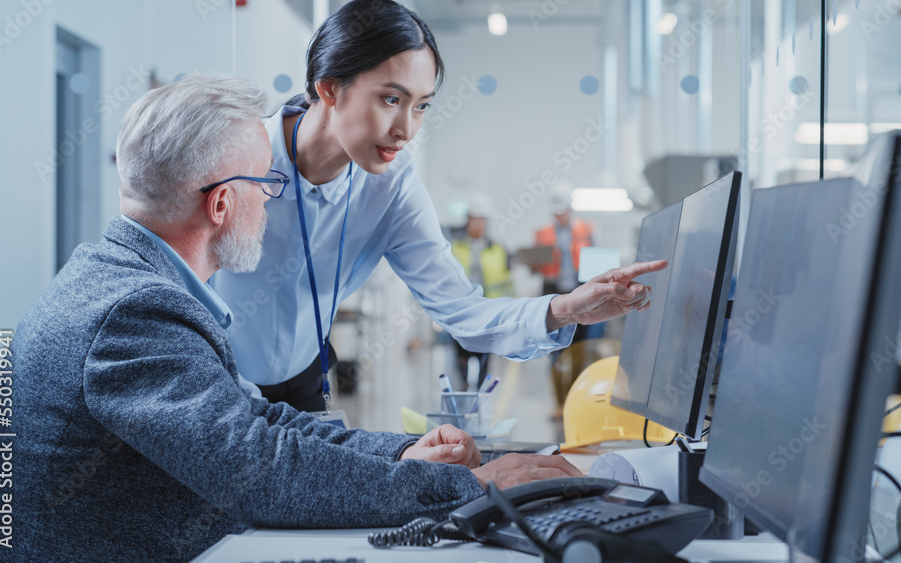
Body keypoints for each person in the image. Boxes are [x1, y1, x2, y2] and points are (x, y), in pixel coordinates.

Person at [0, 74, 582, 562]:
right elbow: (256, 469)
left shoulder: (119, 279)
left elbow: (253, 423)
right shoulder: (134, 313)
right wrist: (469, 487)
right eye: (266, 182)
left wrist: (401, 454)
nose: (274, 197)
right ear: (220, 203)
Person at [210, 0, 665, 412]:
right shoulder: (231, 158)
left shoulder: (393, 186)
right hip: (213, 378)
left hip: (305, 381)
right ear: (330, 88)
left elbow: (463, 311)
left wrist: (566, 308)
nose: (406, 129)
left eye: (422, 105)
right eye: (391, 99)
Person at [447, 194, 512, 388]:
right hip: (462, 311)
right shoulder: (453, 247)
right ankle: (463, 389)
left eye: (481, 219)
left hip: (487, 312)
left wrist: (506, 313)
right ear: (467, 220)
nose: (478, 224)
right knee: (461, 356)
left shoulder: (498, 249)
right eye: (474, 218)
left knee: (484, 357)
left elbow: (506, 283)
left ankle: (481, 399)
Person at [535, 185, 596, 342]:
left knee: (579, 336)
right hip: (553, 290)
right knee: (553, 337)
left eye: (562, 212)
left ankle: (578, 366)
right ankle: (557, 365)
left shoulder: (585, 229)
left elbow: (595, 257)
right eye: (556, 212)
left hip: (579, 288)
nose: (559, 216)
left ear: (570, 208)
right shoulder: (544, 233)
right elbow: (536, 267)